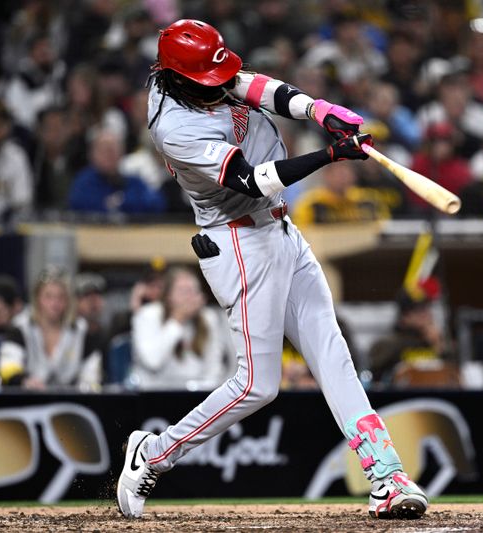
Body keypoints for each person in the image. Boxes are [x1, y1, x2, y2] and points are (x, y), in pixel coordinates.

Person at [116, 19, 427, 520]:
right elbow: (250, 179)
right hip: (239, 240)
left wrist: (317, 109)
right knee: (257, 385)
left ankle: (386, 477)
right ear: (178, 79)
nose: (220, 83)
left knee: (331, 351)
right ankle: (154, 453)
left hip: (280, 229)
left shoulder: (194, 75)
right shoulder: (175, 127)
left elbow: (250, 84)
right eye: (208, 78)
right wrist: (330, 154)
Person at [0, 266, 102, 390]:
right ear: (37, 299)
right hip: (28, 398)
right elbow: (7, 366)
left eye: (60, 297)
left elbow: (92, 375)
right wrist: (25, 381)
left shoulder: (82, 330)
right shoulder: (20, 327)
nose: (55, 303)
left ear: (69, 301)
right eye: (48, 296)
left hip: (70, 401)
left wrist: (86, 387)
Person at [130, 267, 224, 390]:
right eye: (183, 291)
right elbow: (153, 362)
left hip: (196, 393)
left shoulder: (208, 318)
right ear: (168, 296)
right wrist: (177, 320)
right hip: (155, 393)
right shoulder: (147, 315)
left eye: (193, 291)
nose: (189, 297)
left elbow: (214, 368)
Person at [68, 129, 166, 215]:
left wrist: (121, 203)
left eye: (114, 149)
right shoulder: (84, 183)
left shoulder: (133, 182)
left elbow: (157, 203)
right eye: (105, 150)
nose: (110, 154)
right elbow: (84, 206)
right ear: (92, 154)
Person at [368, 290, 451, 385]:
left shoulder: (434, 340)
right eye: (419, 310)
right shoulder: (389, 343)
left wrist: (439, 345)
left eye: (427, 308)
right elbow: (375, 373)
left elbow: (454, 374)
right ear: (404, 316)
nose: (427, 315)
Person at [291, 162, 389, 226]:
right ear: (327, 175)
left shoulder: (369, 200)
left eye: (347, 171)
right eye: (339, 172)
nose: (344, 177)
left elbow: (383, 229)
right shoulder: (310, 204)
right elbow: (303, 236)